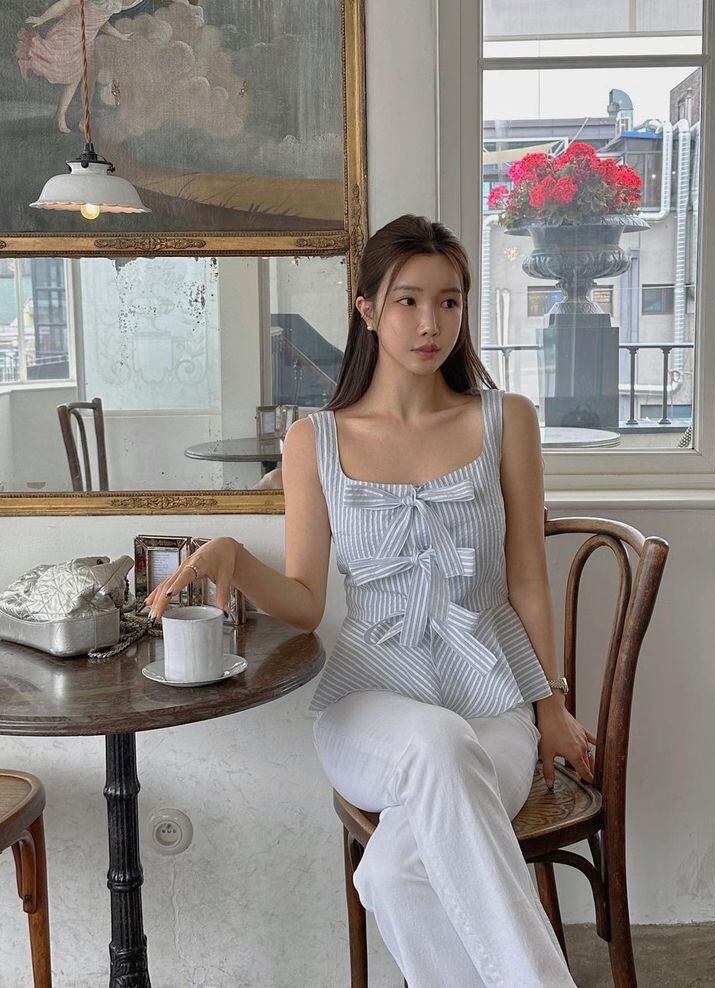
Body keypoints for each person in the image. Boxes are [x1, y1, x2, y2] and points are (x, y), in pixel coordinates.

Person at [147, 215, 593, 986]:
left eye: (449, 302)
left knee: (392, 872)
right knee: (434, 742)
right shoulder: (313, 441)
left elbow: (527, 577)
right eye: (408, 301)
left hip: (493, 706)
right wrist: (235, 559)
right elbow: (305, 602)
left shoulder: (505, 420)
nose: (430, 324)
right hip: (370, 711)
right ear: (367, 310)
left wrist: (549, 702)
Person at [17, 0, 135, 134]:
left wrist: (120, 35)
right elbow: (66, 3)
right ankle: (60, 115)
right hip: (70, 33)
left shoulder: (115, 3)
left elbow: (101, 22)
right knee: (50, 59)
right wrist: (42, 18)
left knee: (75, 78)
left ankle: (60, 115)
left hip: (85, 42)